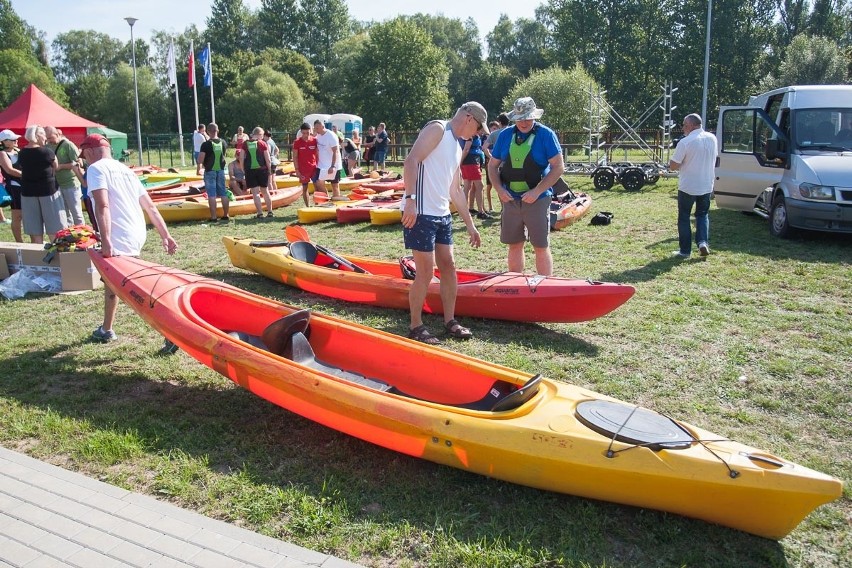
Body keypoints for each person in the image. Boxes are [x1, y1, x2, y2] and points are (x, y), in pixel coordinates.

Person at [401, 102, 487, 345]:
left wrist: (470, 225)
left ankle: (450, 320)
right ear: (469, 118)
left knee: (449, 265)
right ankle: (415, 325)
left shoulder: (459, 145)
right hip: (421, 213)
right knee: (426, 271)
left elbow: (455, 190)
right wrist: (410, 201)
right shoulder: (437, 129)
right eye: (479, 128)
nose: (478, 134)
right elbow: (411, 161)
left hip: (442, 215)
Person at [81, 134, 177, 342]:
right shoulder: (126, 170)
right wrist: (165, 235)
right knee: (112, 284)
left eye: (84, 156)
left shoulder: (95, 169)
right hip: (135, 233)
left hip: (118, 237)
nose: (85, 160)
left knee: (134, 291)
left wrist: (106, 240)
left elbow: (102, 205)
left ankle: (171, 332)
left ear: (89, 152)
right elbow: (150, 206)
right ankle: (106, 329)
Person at [487, 97, 565, 276]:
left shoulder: (546, 135)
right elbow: (492, 166)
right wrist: (499, 189)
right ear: (514, 118)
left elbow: (558, 167)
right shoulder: (505, 135)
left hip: (538, 199)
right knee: (514, 244)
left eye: (528, 117)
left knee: (540, 245)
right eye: (520, 118)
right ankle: (516, 286)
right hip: (510, 199)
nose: (524, 122)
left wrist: (537, 191)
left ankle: (545, 286)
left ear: (535, 116)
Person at [669, 113, 718, 258]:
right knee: (702, 215)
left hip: (688, 185)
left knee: (684, 217)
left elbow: (673, 165)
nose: (683, 128)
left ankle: (685, 251)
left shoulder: (686, 142)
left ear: (691, 125)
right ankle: (703, 242)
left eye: (684, 125)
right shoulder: (712, 138)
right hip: (706, 184)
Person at [18, 125, 66, 244]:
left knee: (35, 230)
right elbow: (56, 166)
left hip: (28, 191)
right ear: (38, 136)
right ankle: (56, 254)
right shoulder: (47, 152)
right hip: (48, 191)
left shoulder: (22, 152)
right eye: (44, 135)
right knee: (55, 226)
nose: (45, 138)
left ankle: (38, 255)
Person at [45, 126, 84, 225]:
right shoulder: (48, 146)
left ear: (57, 134)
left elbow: (78, 163)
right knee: (64, 213)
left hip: (70, 183)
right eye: (47, 138)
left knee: (76, 212)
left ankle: (82, 235)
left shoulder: (68, 145)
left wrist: (61, 166)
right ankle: (69, 235)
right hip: (57, 184)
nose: (48, 140)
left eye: (50, 137)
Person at [239, 126, 274, 218]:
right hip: (262, 170)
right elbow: (268, 159)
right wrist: (269, 169)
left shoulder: (245, 144)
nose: (262, 137)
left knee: (255, 193)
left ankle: (260, 213)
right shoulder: (262, 144)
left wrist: (243, 168)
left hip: (250, 170)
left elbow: (241, 157)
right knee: (265, 191)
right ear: (259, 134)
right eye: (262, 135)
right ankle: (270, 212)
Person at [197, 122, 229, 222]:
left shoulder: (206, 144)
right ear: (217, 131)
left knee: (211, 194)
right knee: (223, 193)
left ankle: (214, 217)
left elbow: (200, 160)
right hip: (220, 170)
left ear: (208, 132)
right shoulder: (223, 142)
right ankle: (226, 215)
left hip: (210, 171)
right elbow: (224, 155)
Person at [0, 129, 24, 241]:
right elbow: (9, 170)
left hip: (24, 185)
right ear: (4, 141)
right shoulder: (2, 153)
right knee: (17, 216)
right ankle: (19, 241)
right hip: (14, 187)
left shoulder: (18, 151)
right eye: (13, 139)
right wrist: (27, 175)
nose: (16, 140)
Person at [483, 113, 510, 213]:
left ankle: (504, 208)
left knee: (501, 187)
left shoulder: (494, 134)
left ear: (499, 122)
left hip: (501, 165)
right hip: (514, 163)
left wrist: (492, 158)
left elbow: (484, 147)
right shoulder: (514, 131)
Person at [460, 127, 488, 219]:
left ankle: (465, 210)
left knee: (467, 186)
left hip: (468, 162)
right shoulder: (471, 136)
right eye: (481, 130)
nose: (482, 132)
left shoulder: (474, 136)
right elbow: (466, 149)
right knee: (480, 186)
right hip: (471, 162)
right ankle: (481, 212)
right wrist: (460, 162)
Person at [313, 120, 344, 200]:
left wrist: (333, 166)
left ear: (323, 127)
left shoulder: (331, 136)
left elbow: (335, 151)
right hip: (322, 165)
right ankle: (326, 199)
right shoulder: (318, 135)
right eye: (315, 128)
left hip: (333, 165)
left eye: (317, 128)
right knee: (319, 183)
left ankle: (336, 200)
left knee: (335, 185)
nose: (316, 130)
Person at [292, 122, 318, 207]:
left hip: (314, 168)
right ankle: (308, 206)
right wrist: (297, 170)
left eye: (307, 133)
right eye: (303, 133)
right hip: (303, 170)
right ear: (301, 132)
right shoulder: (297, 142)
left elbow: (318, 154)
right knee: (305, 188)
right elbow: (295, 157)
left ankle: (318, 205)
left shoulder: (314, 140)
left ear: (310, 131)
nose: (306, 135)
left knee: (317, 187)